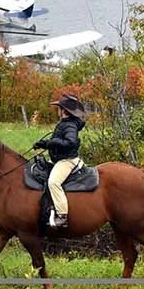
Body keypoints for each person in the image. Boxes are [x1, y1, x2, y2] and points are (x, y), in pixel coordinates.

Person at [34, 95, 88, 228]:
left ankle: (62, 216)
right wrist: (44, 144)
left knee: (53, 182)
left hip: (67, 161)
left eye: (59, 108)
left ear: (64, 111)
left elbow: (70, 142)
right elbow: (58, 141)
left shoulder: (70, 125)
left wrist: (52, 142)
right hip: (60, 159)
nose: (58, 110)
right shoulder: (65, 123)